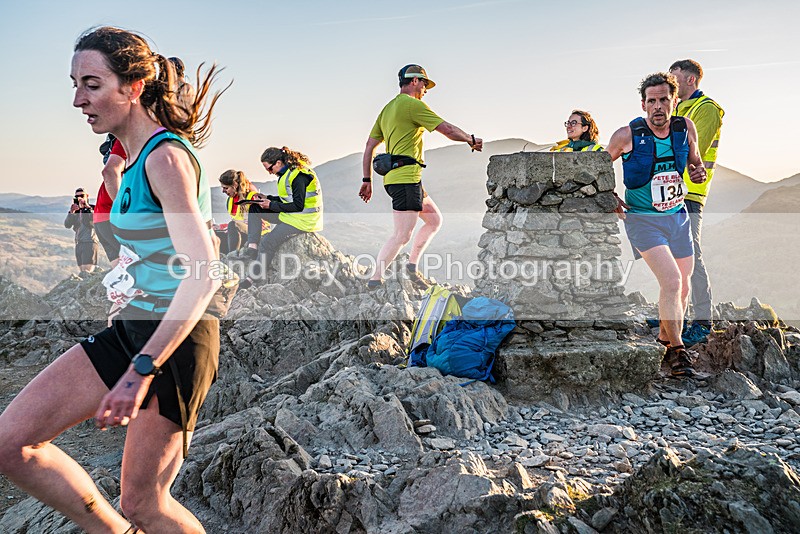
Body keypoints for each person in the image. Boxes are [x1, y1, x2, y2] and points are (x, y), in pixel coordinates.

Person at [0, 26, 225, 534]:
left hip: (174, 340)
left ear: (134, 87)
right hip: (132, 326)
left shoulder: (167, 157)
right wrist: (115, 187)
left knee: (145, 503)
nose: (79, 99)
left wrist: (141, 369)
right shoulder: (133, 160)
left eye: (92, 84)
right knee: (11, 443)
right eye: (75, 84)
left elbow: (204, 272)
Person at [605, 72, 707, 378]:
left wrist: (698, 170)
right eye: (652, 101)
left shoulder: (685, 128)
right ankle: (678, 352)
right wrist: (608, 194)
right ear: (643, 104)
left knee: (684, 285)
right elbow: (597, 168)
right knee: (672, 281)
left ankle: (664, 339)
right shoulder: (627, 135)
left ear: (674, 101)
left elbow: (695, 160)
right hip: (643, 221)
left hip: (677, 217)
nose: (658, 106)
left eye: (664, 99)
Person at [360, 64, 483, 289]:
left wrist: (366, 180)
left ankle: (411, 267)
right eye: (424, 84)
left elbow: (369, 146)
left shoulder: (387, 109)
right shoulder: (412, 105)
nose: (425, 89)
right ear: (415, 81)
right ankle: (375, 280)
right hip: (405, 179)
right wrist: (470, 139)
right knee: (402, 235)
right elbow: (446, 128)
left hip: (402, 178)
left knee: (434, 219)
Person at [669, 59, 725, 345]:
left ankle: (703, 321)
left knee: (692, 254)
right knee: (669, 258)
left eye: (674, 76)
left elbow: (691, 152)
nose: (670, 81)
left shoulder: (706, 110)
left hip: (689, 193)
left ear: (690, 80)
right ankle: (675, 314)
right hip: (665, 193)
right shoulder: (674, 108)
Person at [237, 146, 323, 290]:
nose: (270, 173)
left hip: (303, 220)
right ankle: (252, 247)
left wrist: (271, 205)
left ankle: (252, 279)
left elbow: (298, 205)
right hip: (291, 215)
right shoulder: (288, 173)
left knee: (267, 243)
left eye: (269, 169)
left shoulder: (299, 175)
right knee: (255, 208)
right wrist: (267, 198)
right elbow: (287, 199)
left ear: (278, 163)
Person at [218, 169, 267, 254]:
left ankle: (233, 257)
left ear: (235, 185)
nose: (223, 191)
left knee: (232, 225)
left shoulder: (253, 197)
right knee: (217, 235)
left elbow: (263, 221)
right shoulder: (230, 200)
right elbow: (237, 220)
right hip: (241, 232)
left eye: (226, 188)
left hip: (257, 233)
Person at [95, 134, 126, 263]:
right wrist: (124, 212)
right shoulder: (129, 138)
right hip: (112, 217)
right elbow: (109, 172)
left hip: (100, 218)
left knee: (120, 270)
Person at [64, 187, 99, 276]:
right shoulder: (76, 211)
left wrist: (87, 207)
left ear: (87, 196)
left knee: (87, 272)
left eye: (81, 196)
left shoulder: (93, 208)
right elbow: (67, 225)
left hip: (90, 242)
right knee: (82, 273)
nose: (80, 198)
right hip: (79, 243)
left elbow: (96, 221)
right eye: (77, 197)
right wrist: (71, 212)